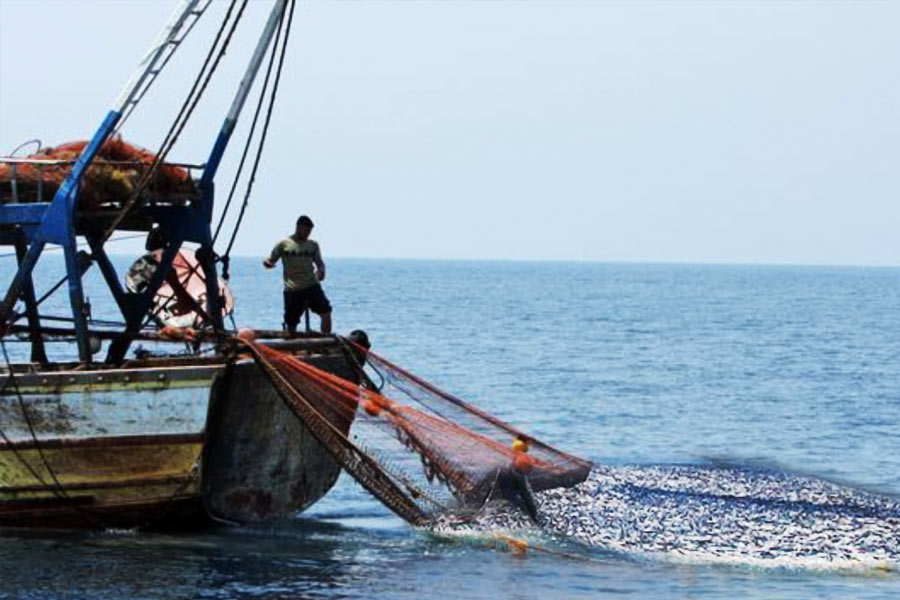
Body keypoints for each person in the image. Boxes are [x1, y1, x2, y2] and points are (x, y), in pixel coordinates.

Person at [263, 215, 332, 334]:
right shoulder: (284, 244)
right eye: (306, 231)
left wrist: (321, 271)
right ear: (298, 227)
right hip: (293, 289)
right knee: (291, 322)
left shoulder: (313, 245)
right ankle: (292, 346)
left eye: (310, 232)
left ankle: (326, 339)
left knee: (326, 312)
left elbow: (320, 263)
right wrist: (268, 264)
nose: (308, 234)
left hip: (311, 286)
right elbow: (270, 260)